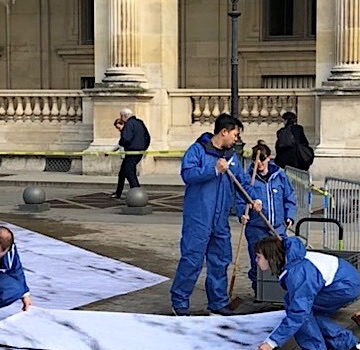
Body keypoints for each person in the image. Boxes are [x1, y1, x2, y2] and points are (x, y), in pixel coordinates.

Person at [170, 113, 262, 316]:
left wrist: (254, 199)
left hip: (220, 219)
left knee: (220, 259)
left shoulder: (232, 158)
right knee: (192, 259)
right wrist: (213, 170)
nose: (236, 139)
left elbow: (243, 183)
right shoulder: (198, 151)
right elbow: (188, 175)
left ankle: (218, 302)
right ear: (224, 132)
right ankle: (180, 301)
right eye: (235, 135)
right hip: (199, 217)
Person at [254, 236, 360, 350]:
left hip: (344, 285)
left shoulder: (299, 273)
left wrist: (272, 342)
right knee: (304, 307)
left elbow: (298, 313)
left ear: (270, 257)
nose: (256, 261)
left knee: (298, 308)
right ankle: (345, 343)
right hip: (346, 279)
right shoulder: (293, 260)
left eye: (259, 257)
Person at [235, 140, 296, 293]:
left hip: (276, 227)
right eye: (255, 160)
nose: (259, 163)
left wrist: (289, 216)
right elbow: (239, 200)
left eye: (262, 159)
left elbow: (289, 197)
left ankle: (277, 292)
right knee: (257, 260)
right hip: (256, 228)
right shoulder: (249, 180)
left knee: (278, 259)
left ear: (268, 158)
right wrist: (243, 213)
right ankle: (259, 291)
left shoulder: (280, 177)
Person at [111, 108, 150, 199]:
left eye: (121, 117)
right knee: (123, 172)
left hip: (131, 151)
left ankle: (136, 191)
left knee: (129, 172)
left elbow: (126, 138)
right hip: (139, 151)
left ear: (124, 116)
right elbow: (147, 137)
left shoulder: (129, 124)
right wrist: (144, 148)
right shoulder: (140, 122)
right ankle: (118, 192)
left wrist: (122, 144)